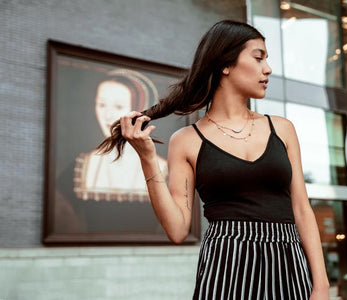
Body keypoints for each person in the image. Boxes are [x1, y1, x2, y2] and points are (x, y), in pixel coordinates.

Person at [97, 20, 329, 299]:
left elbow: (302, 209)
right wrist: (147, 157)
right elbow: (177, 229)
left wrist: (321, 284)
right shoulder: (186, 141)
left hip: (288, 263)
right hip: (226, 266)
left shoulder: (282, 128)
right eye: (258, 58)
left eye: (267, 60)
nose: (267, 69)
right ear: (225, 65)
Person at [74, 69, 167, 203]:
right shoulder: (85, 164)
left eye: (118, 107)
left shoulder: (163, 168)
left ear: (139, 110)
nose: (107, 115)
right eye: (101, 105)